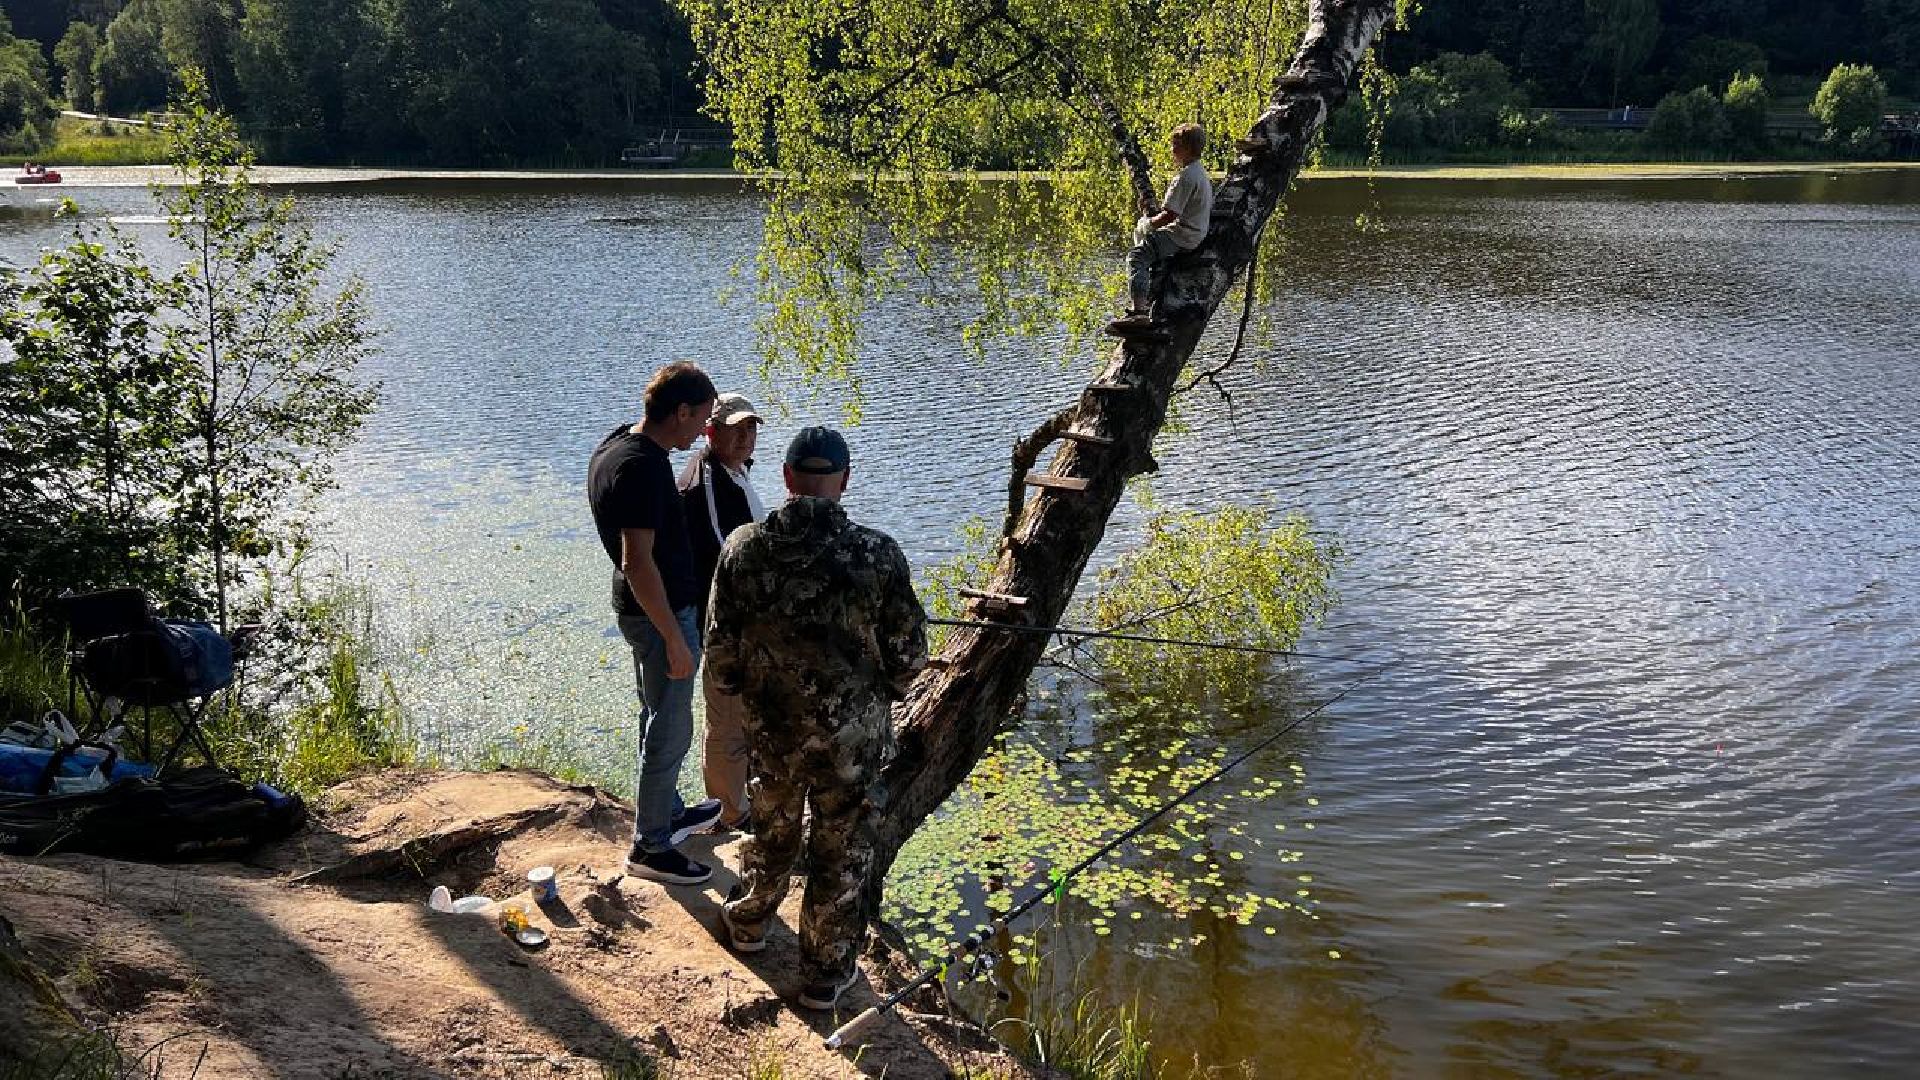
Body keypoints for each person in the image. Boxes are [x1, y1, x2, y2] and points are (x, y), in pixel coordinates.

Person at [707, 426, 928, 1011]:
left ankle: (751, 924)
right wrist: (887, 691)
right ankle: (825, 974)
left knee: (773, 830)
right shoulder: (878, 553)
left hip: (772, 733)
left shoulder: (742, 547)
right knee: (840, 849)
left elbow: (721, 650)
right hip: (850, 744)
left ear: (785, 478)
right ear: (844, 481)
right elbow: (909, 660)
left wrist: (744, 694)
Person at [587, 361, 726, 885]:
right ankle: (650, 845)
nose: (705, 431)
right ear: (681, 411)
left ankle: (667, 813)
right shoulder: (642, 467)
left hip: (640, 611)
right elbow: (636, 561)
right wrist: (673, 637)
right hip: (658, 615)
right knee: (671, 727)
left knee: (654, 711)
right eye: (703, 419)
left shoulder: (617, 444)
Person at [677, 391, 766, 831]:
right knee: (728, 722)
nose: (746, 436)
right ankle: (729, 814)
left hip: (745, 621)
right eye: (736, 429)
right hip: (724, 623)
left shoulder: (735, 470)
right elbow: (721, 554)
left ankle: (740, 800)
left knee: (743, 717)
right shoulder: (706, 482)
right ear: (711, 431)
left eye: (751, 428)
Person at [1107, 123, 1213, 337]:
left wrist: (1147, 224)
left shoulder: (1184, 178)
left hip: (1183, 235)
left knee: (1137, 257)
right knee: (1154, 256)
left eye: (1176, 145)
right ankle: (1149, 301)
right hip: (1196, 233)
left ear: (1188, 148)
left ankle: (1140, 312)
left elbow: (1169, 216)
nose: (1172, 150)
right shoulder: (1200, 173)